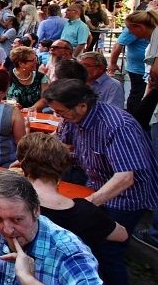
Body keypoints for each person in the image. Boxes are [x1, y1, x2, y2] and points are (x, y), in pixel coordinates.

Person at [46, 80, 158, 282]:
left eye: (61, 112)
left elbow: (125, 177)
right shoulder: (74, 118)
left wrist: (89, 205)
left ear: (82, 105)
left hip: (126, 197)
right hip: (97, 186)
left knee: (109, 251)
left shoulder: (118, 125)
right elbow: (60, 143)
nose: (59, 117)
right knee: (93, 245)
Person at [16, 132, 128, 280]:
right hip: (70, 275)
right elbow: (122, 235)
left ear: (22, 164)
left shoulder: (9, 202)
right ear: (62, 166)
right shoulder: (84, 211)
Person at [0, 170, 103, 285]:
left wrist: (28, 279)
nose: (8, 229)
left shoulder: (68, 252)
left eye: (17, 219)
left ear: (36, 210)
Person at [107, 26, 148, 115]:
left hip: (146, 67)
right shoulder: (135, 27)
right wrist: (113, 63)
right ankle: (133, 118)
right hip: (138, 69)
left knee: (145, 95)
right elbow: (118, 44)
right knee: (138, 94)